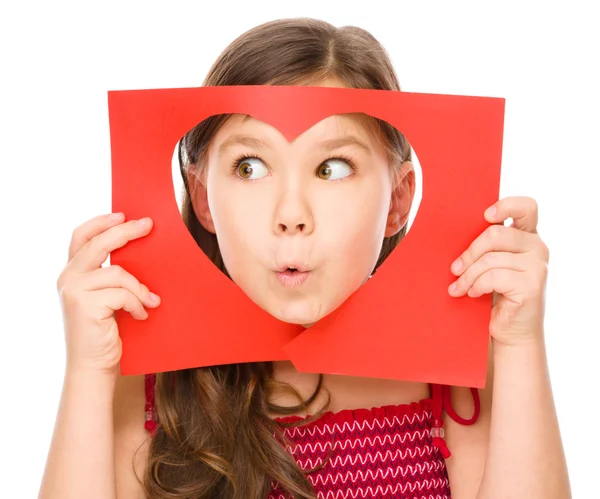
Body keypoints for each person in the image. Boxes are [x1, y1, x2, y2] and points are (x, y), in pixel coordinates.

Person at [39, 18, 571, 499]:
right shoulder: (151, 379)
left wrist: (521, 342)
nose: (291, 214)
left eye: (333, 168)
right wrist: (87, 371)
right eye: (250, 166)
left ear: (399, 200)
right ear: (204, 198)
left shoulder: (452, 376)